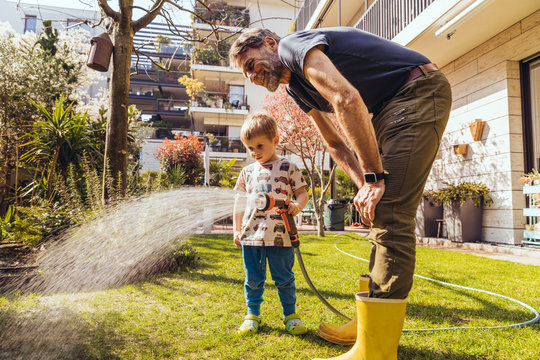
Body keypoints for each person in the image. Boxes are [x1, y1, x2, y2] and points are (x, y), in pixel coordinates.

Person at [229, 27, 452, 359]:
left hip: (416, 92)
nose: (251, 76)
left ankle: (376, 348)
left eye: (250, 63)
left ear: (270, 44)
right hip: (390, 109)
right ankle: (368, 326)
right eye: (245, 73)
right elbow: (335, 144)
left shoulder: (293, 46)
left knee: (389, 212)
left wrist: (376, 179)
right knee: (379, 209)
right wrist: (364, 185)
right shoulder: (295, 89)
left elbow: (346, 98)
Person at [233, 112, 309, 336]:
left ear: (275, 141)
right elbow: (238, 202)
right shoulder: (247, 172)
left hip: (282, 236)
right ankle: (252, 315)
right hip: (251, 237)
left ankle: (290, 316)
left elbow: (303, 194)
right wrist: (237, 230)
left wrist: (297, 205)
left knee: (284, 278)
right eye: (249, 148)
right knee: (253, 280)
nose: (254, 152)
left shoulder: (289, 167)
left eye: (259, 145)